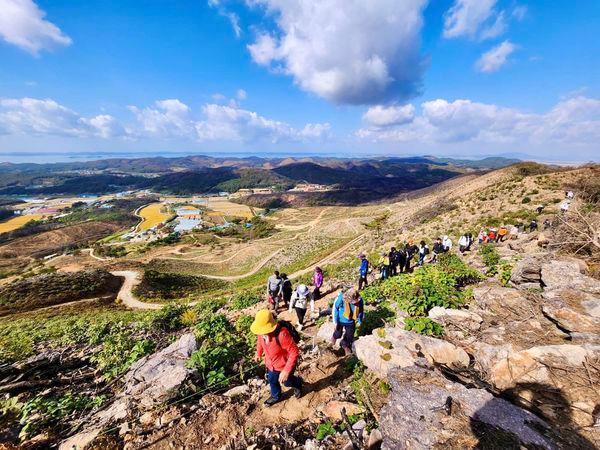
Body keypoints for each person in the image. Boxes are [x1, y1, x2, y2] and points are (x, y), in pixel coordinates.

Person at [251, 309, 302, 406]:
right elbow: (260, 342)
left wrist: (286, 371)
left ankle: (298, 383)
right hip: (271, 364)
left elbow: (294, 351)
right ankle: (276, 396)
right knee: (272, 380)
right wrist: (258, 353)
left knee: (287, 382)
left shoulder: (282, 334)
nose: (261, 333)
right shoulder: (261, 333)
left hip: (285, 364)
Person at [331, 288, 364, 355]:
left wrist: (360, 321)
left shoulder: (360, 300)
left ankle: (345, 345)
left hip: (351, 321)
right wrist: (335, 322)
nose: (355, 303)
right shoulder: (341, 298)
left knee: (349, 336)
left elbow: (361, 311)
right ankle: (333, 339)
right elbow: (335, 309)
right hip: (340, 320)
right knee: (338, 334)